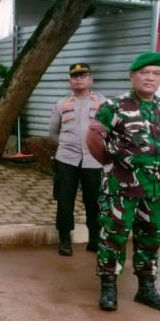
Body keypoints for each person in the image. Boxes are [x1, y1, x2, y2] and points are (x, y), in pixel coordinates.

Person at [87, 51, 160, 312]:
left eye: (155, 74)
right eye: (144, 73)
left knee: (150, 238)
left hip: (154, 190)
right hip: (120, 189)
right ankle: (109, 288)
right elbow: (93, 138)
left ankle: (146, 288)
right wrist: (114, 165)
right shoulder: (114, 106)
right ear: (132, 76)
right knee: (113, 237)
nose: (150, 78)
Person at [48, 62, 105, 256]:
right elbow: (53, 132)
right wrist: (67, 146)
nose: (79, 79)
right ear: (69, 81)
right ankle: (65, 239)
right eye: (75, 76)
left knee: (94, 200)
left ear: (91, 79)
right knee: (65, 200)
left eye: (83, 75)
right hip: (67, 160)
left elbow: (111, 131)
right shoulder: (61, 105)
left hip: (94, 160)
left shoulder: (104, 104)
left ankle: (95, 238)